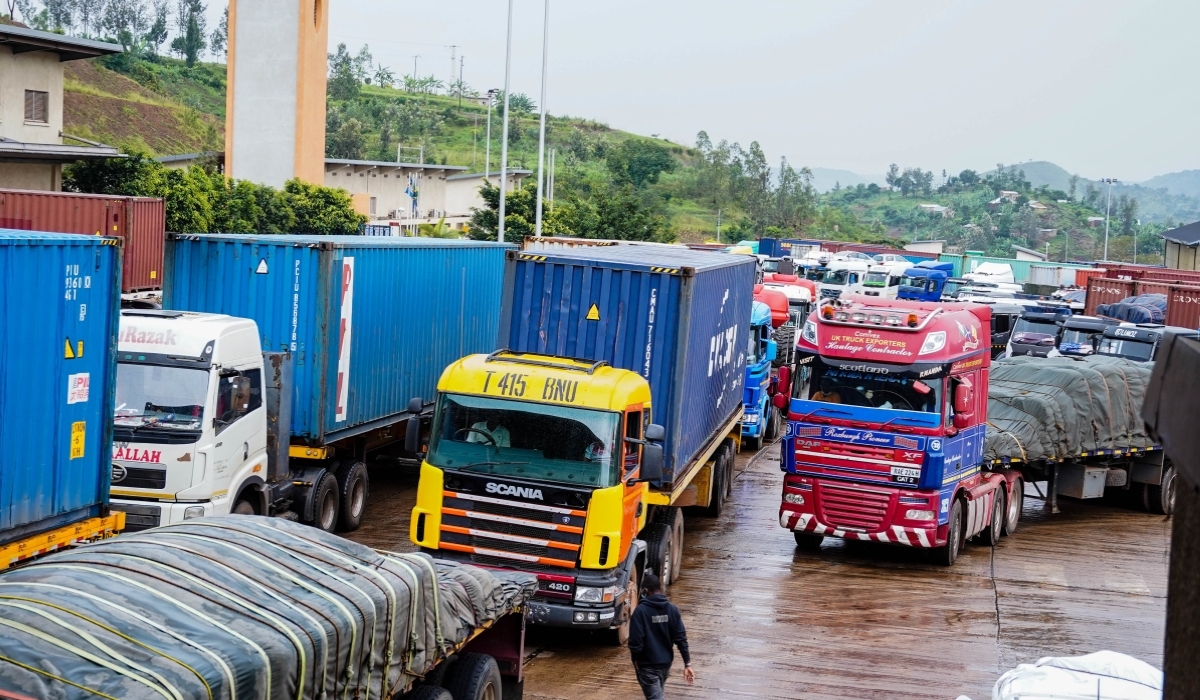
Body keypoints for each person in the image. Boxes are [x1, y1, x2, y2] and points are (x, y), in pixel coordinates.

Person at [628, 572, 694, 699]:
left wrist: (636, 661)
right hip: (665, 665)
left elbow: (636, 643)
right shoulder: (672, 610)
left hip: (647, 667)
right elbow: (681, 639)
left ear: (645, 590)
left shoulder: (640, 612)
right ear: (661, 589)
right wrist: (687, 664)